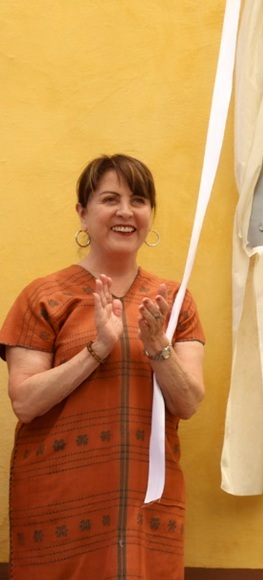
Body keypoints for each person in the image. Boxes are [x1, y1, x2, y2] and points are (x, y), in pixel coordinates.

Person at [0, 154, 206, 578]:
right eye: (110, 199)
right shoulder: (43, 297)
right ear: (83, 213)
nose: (126, 212)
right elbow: (25, 402)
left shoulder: (174, 301)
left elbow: (187, 403)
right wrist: (97, 348)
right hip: (61, 502)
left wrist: (158, 347)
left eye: (139, 200)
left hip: (147, 503)